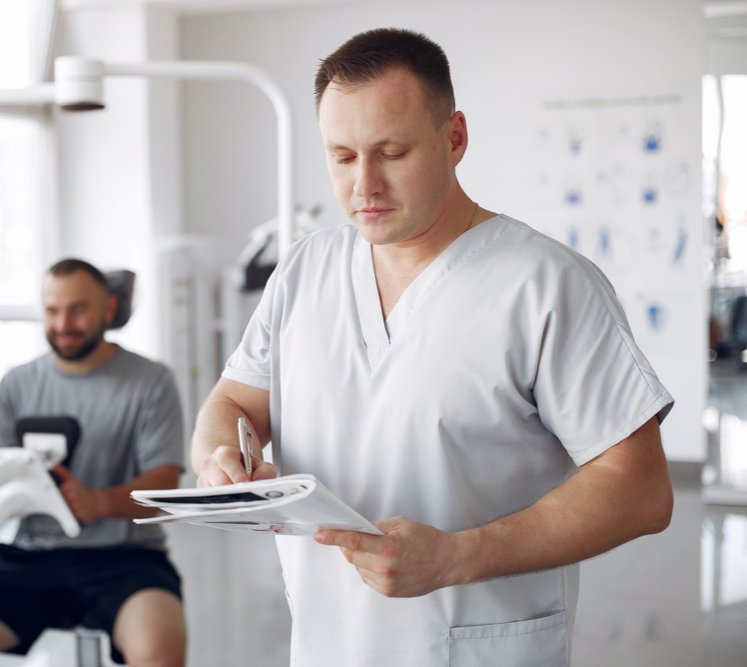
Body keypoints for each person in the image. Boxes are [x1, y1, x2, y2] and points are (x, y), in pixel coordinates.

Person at [191, 28, 674, 666]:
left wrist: (457, 556)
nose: (364, 185)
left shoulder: (545, 285)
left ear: (455, 139)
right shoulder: (305, 271)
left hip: (477, 648)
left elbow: (640, 490)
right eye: (341, 156)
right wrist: (219, 455)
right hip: (328, 643)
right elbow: (235, 401)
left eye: (391, 152)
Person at [0, 259, 186, 667]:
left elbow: (166, 483)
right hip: (30, 559)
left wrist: (98, 503)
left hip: (125, 559)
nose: (63, 322)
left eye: (78, 309)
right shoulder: (17, 383)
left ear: (107, 310)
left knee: (159, 652)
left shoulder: (151, 380)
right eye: (52, 311)